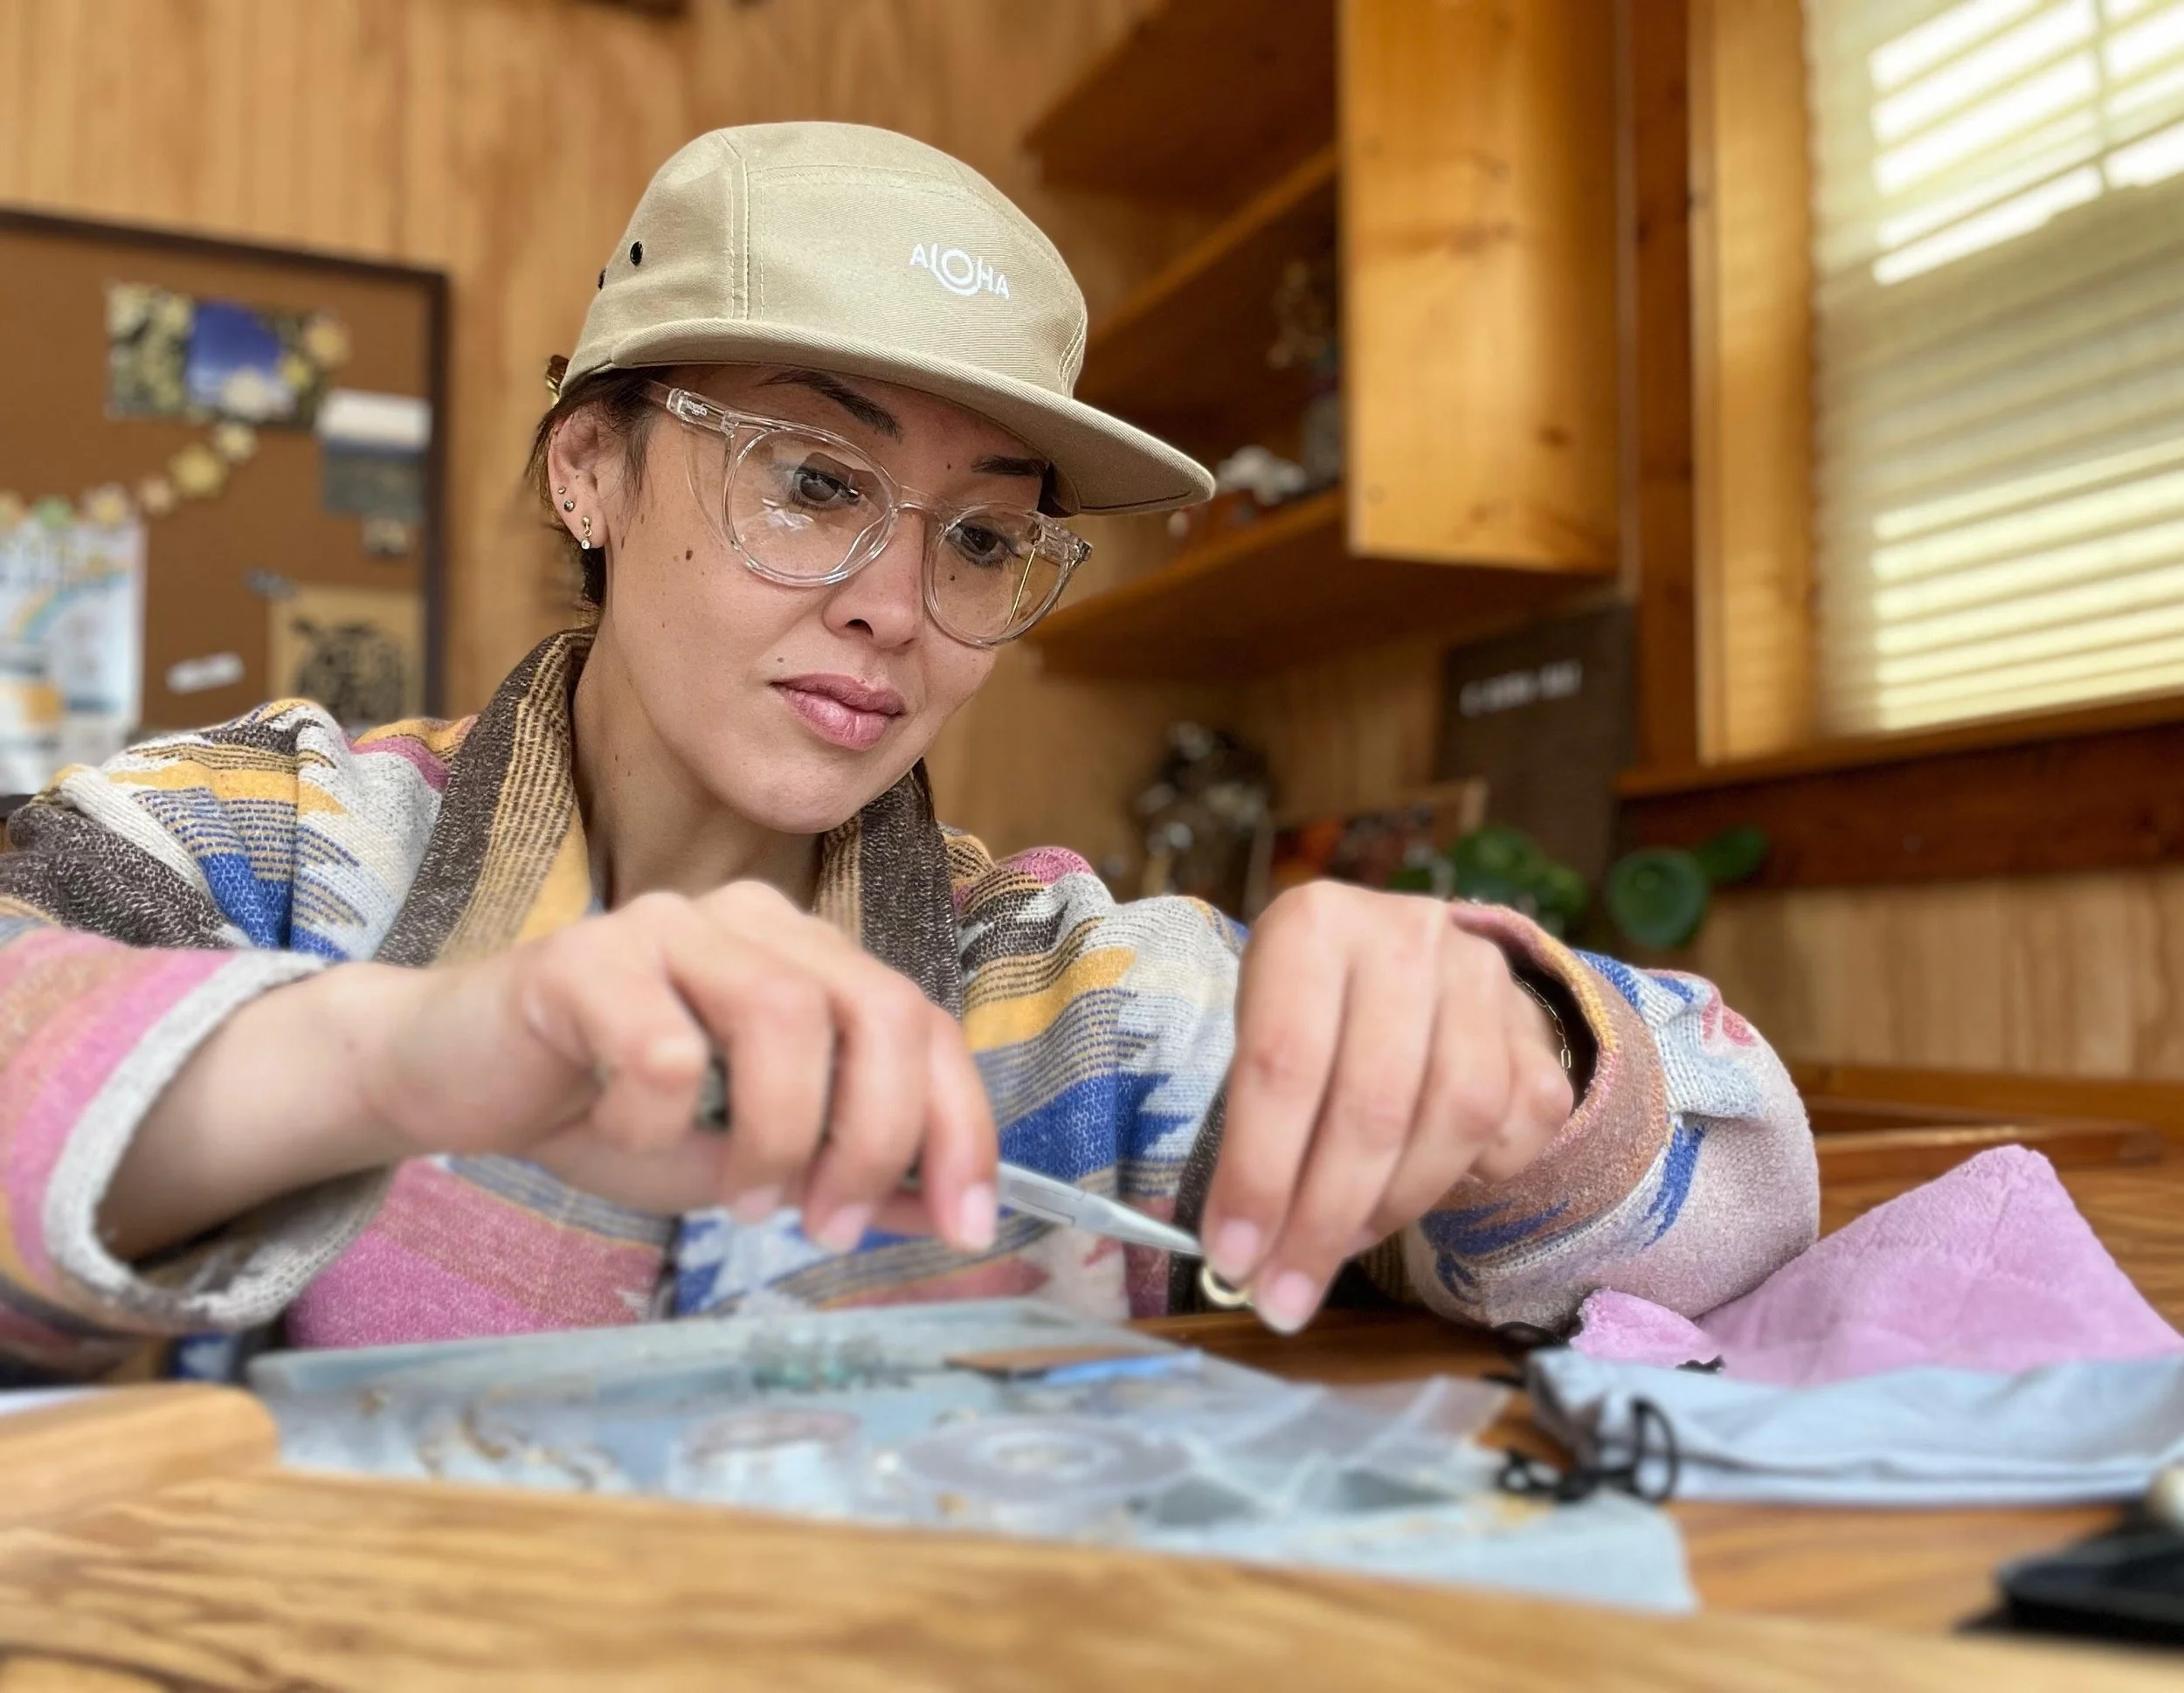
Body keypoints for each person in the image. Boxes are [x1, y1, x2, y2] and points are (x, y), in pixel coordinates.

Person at [0, 124, 1814, 1381]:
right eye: (811, 480)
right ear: (588, 469)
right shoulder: (266, 850)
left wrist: (1519, 1069)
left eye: (976, 535)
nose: (894, 602)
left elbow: (1731, 1227)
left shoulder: (1080, 1008)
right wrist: (401, 1057)